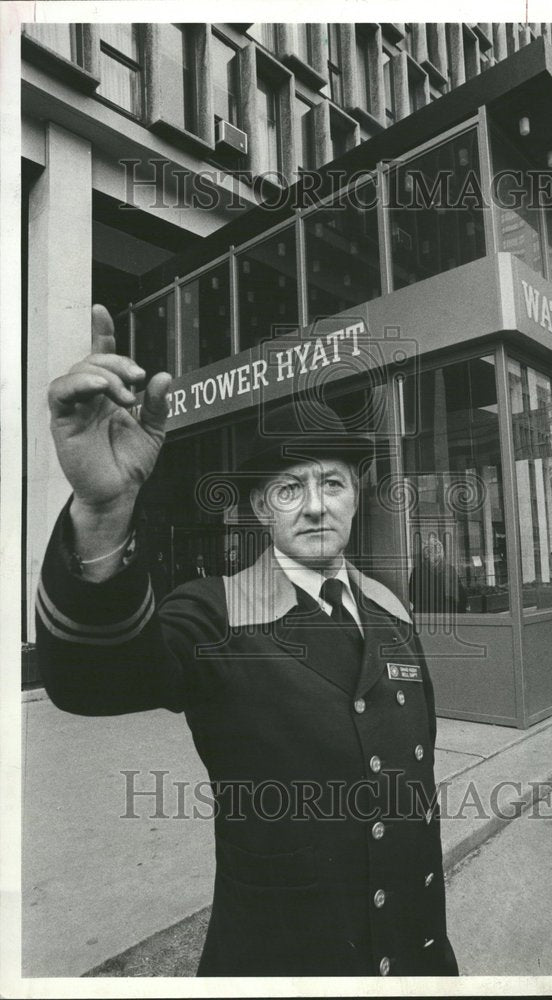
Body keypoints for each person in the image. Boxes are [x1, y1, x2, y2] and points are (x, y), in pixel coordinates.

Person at [35, 305, 459, 978]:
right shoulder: (214, 612)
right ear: (261, 510)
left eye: (331, 484)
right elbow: (90, 681)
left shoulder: (390, 612)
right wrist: (103, 512)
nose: (315, 505)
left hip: (414, 956)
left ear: (357, 496)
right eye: (289, 489)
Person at [409, 532, 467, 614]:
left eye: (438, 550)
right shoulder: (449, 570)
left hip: (431, 615)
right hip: (436, 615)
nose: (438, 553)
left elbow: (460, 595)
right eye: (434, 550)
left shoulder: (449, 570)